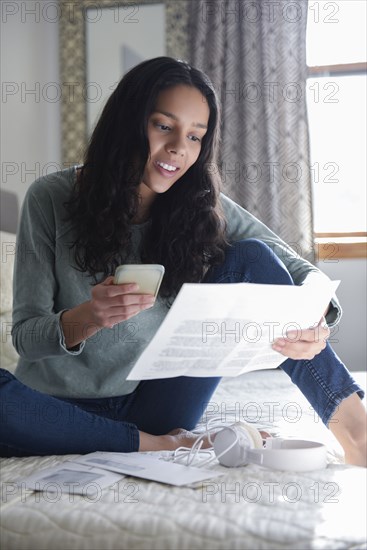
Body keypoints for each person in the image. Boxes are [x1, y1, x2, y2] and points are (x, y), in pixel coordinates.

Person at [1, 57, 366, 465]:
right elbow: (26, 339)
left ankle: (358, 433)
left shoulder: (199, 201)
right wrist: (89, 316)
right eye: (163, 126)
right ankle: (161, 445)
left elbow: (299, 270)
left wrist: (318, 321)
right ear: (129, 122)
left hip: (159, 406)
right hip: (60, 411)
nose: (179, 147)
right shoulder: (50, 197)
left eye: (196, 136)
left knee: (251, 256)